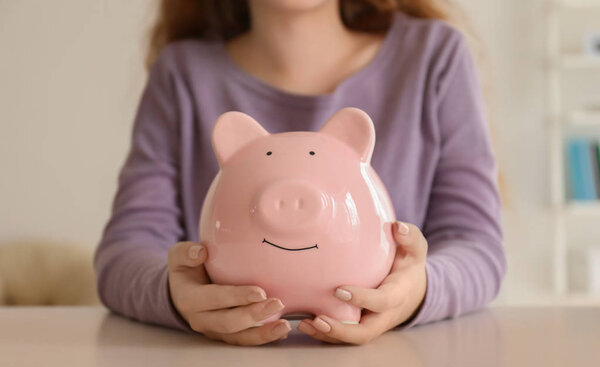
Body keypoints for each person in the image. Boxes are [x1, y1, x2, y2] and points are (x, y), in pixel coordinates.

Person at [94, 0, 506, 346]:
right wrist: (173, 295)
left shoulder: (433, 56)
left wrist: (419, 291)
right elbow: (124, 254)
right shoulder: (182, 74)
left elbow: (478, 247)